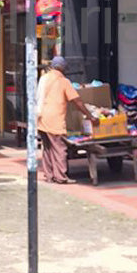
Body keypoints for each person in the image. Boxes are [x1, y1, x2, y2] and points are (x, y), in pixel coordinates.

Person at [36, 54, 95, 185]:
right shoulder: (63, 81)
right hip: (55, 120)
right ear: (62, 68)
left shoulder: (44, 78)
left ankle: (49, 175)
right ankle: (61, 177)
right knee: (60, 148)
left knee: (47, 148)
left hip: (42, 119)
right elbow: (77, 101)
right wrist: (90, 115)